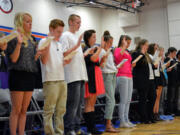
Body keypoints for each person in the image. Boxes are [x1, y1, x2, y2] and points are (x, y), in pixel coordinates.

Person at [6, 12, 43, 135]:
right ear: (20, 22)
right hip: (17, 75)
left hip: (30, 75)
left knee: (24, 110)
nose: (30, 23)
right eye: (27, 21)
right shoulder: (13, 36)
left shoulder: (32, 39)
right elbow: (14, 59)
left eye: (31, 21)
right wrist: (19, 43)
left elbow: (32, 60)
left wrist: (37, 55)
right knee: (16, 109)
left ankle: (21, 133)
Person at [60, 14, 88, 135]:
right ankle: (68, 129)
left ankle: (77, 128)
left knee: (79, 105)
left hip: (80, 75)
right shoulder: (65, 36)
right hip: (72, 76)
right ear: (70, 22)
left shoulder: (76, 36)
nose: (79, 24)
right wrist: (76, 46)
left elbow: (79, 57)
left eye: (80, 22)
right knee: (72, 105)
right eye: (77, 22)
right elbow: (64, 54)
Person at [83, 29, 105, 135]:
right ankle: (91, 128)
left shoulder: (93, 49)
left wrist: (103, 59)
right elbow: (92, 59)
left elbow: (98, 64)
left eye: (96, 37)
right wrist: (100, 48)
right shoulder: (86, 49)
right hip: (90, 77)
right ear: (88, 38)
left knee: (92, 103)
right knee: (89, 103)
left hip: (95, 76)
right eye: (93, 37)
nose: (95, 39)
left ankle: (92, 128)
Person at [131, 39, 157, 124]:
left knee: (153, 97)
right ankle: (144, 117)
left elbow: (149, 66)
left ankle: (150, 115)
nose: (148, 46)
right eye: (146, 45)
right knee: (143, 99)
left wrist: (154, 66)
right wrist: (141, 53)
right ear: (142, 45)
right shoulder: (136, 53)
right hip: (142, 80)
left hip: (151, 79)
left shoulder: (147, 55)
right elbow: (136, 64)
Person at [114, 35, 136, 128]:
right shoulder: (118, 49)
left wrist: (132, 66)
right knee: (123, 100)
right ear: (123, 41)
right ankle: (122, 120)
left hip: (129, 76)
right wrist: (123, 46)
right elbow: (117, 58)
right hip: (122, 76)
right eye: (127, 42)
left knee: (128, 100)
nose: (128, 44)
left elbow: (128, 63)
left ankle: (127, 119)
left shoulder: (127, 51)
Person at [99, 35, 119, 132]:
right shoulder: (102, 51)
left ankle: (109, 123)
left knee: (112, 100)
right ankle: (108, 125)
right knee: (110, 100)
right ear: (105, 42)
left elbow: (110, 65)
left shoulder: (109, 52)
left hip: (112, 74)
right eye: (110, 42)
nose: (111, 44)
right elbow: (102, 65)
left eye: (112, 42)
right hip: (107, 75)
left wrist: (116, 67)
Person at [165, 47, 178, 115]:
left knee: (175, 97)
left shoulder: (174, 60)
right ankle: (169, 111)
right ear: (170, 52)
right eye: (174, 53)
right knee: (170, 97)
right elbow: (165, 69)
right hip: (170, 81)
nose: (175, 54)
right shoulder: (167, 59)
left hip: (175, 81)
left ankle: (174, 110)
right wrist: (168, 69)